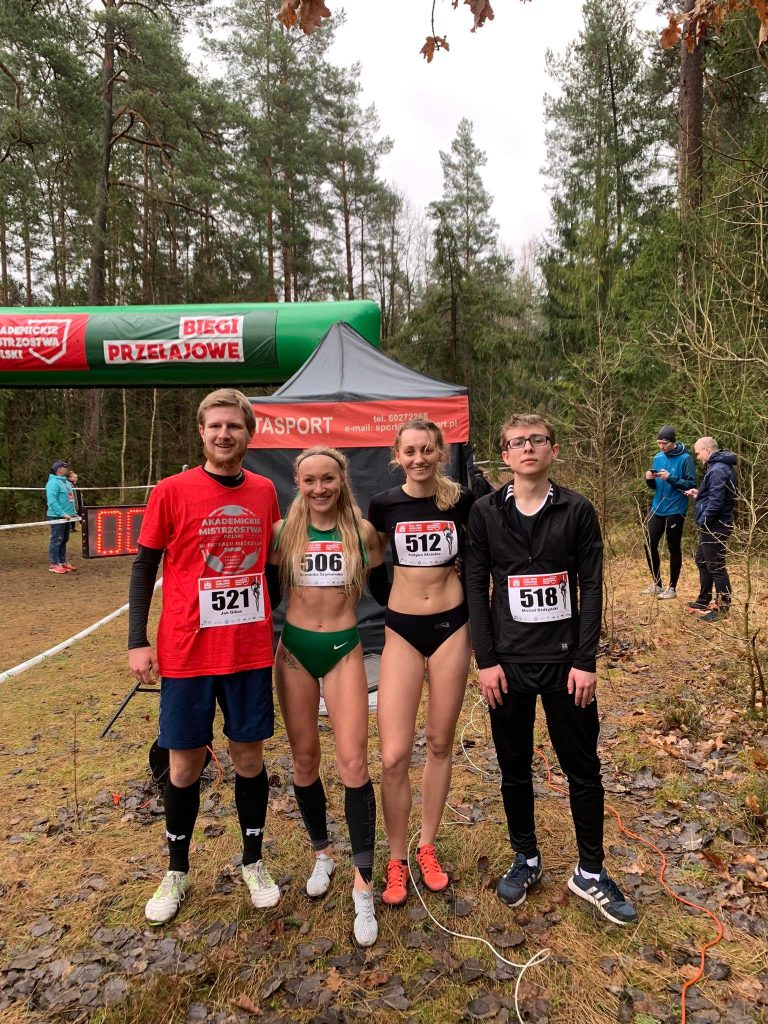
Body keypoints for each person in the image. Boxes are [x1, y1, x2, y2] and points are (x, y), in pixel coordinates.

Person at [465, 414, 637, 927]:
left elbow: (592, 585)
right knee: (514, 767)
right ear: (505, 455)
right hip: (508, 664)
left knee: (582, 769)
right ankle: (526, 857)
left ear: (553, 450)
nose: (528, 448)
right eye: (517, 442)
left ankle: (591, 871)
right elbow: (476, 586)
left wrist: (586, 661)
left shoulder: (577, 510)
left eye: (537, 440)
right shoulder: (485, 513)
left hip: (566, 665)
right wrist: (485, 660)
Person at [128, 388, 283, 926]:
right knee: (184, 763)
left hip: (246, 652)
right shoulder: (171, 491)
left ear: (249, 434)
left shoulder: (265, 491)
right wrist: (137, 640)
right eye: (215, 425)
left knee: (248, 760)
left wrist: (270, 623)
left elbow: (271, 567)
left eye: (234, 426)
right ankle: (176, 870)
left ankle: (253, 861)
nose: (224, 434)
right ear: (201, 431)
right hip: (186, 652)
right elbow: (144, 567)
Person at [269, 446, 389, 946]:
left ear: (342, 481)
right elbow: (256, 586)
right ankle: (322, 854)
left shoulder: (363, 533)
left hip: (343, 649)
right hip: (295, 651)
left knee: (354, 764)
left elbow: (391, 587)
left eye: (328, 479)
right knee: (303, 760)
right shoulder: (282, 533)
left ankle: (364, 885)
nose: (319, 488)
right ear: (298, 482)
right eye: (310, 479)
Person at [368, 419, 474, 907]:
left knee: (438, 742)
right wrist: (392, 602)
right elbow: (374, 563)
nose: (418, 458)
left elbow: (479, 556)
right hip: (402, 630)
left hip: (452, 626)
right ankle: (396, 858)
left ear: (440, 453)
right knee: (393, 755)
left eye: (427, 450)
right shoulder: (384, 504)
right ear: (397, 455)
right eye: (409, 451)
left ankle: (426, 845)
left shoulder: (461, 501)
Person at [684, 437, 737, 623]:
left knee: (716, 566)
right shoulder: (718, 468)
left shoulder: (718, 469)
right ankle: (704, 599)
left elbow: (717, 501)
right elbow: (715, 495)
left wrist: (703, 520)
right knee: (702, 560)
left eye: (698, 453)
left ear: (707, 450)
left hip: (716, 525)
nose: (698, 457)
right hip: (713, 524)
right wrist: (699, 494)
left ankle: (723, 609)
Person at [641, 426, 696, 600]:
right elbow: (655, 486)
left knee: (673, 546)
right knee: (649, 543)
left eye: (664, 443)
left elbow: (690, 484)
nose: (661, 446)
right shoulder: (658, 457)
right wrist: (649, 479)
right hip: (658, 507)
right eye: (659, 443)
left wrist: (670, 478)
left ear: (672, 442)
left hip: (676, 508)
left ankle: (672, 588)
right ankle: (657, 584)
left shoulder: (686, 458)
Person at [46, 460, 77, 573]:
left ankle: (62, 561)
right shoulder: (53, 483)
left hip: (68, 517)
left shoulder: (66, 482)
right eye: (65, 467)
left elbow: (70, 499)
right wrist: (62, 513)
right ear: (59, 469)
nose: (67, 469)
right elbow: (52, 501)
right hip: (57, 517)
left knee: (64, 540)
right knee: (56, 540)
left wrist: (72, 513)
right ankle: (54, 564)